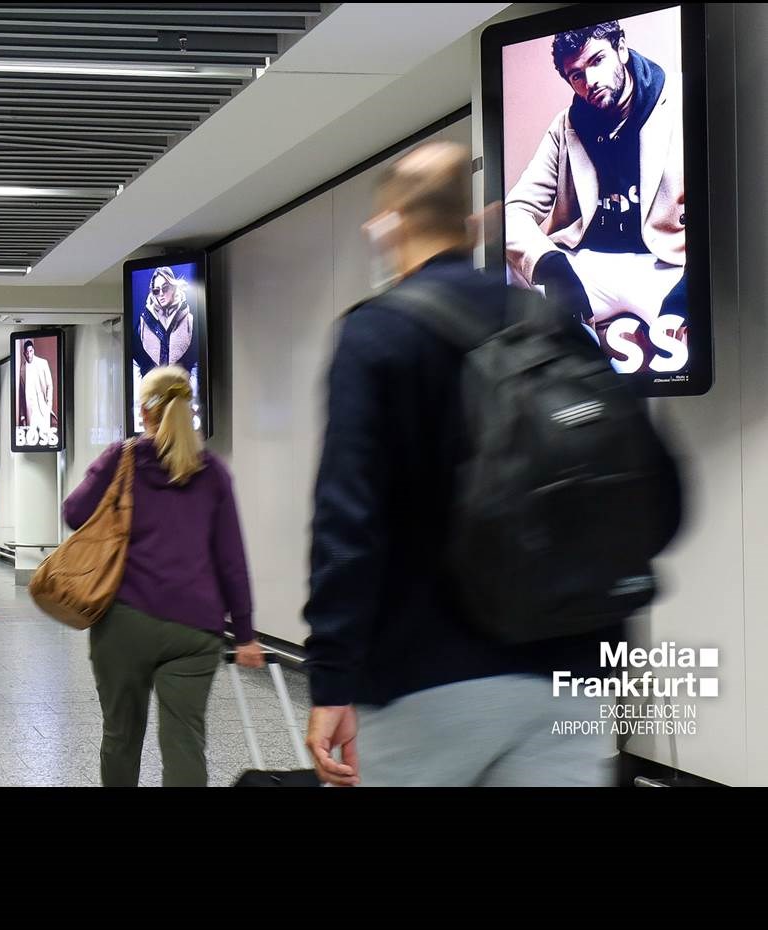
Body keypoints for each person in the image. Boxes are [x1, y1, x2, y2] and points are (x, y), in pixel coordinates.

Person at [302, 141, 681, 787]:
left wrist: (332, 676)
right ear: (475, 223)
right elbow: (649, 492)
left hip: (423, 678)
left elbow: (348, 522)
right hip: (569, 671)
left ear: (387, 227)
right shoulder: (552, 323)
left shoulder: (375, 334)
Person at [63, 366, 263, 788]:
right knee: (185, 743)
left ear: (144, 411)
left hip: (124, 622)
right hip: (195, 630)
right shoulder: (212, 472)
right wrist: (245, 634)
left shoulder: (123, 458)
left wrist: (107, 476)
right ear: (190, 408)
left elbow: (74, 513)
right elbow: (231, 559)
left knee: (121, 737)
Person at [505, 18, 686, 359]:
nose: (590, 81)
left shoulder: (678, 101)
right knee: (507, 269)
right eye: (576, 75)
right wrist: (549, 264)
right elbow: (514, 212)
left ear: (621, 48)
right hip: (589, 265)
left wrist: (690, 287)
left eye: (597, 60)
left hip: (663, 265)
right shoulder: (566, 125)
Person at [135, 266, 197, 373]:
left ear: (173, 287)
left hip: (183, 383)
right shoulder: (143, 323)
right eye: (156, 291)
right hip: (152, 383)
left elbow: (197, 362)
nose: (161, 294)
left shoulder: (190, 321)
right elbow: (135, 361)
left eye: (165, 288)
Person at [21, 340, 54, 429]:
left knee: (45, 434)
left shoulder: (43, 363)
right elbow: (22, 394)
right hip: (30, 410)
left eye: (31, 351)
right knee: (32, 436)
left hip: (43, 407)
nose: (29, 354)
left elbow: (49, 385)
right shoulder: (22, 369)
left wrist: (49, 406)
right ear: (24, 353)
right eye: (27, 352)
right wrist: (22, 416)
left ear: (33, 350)